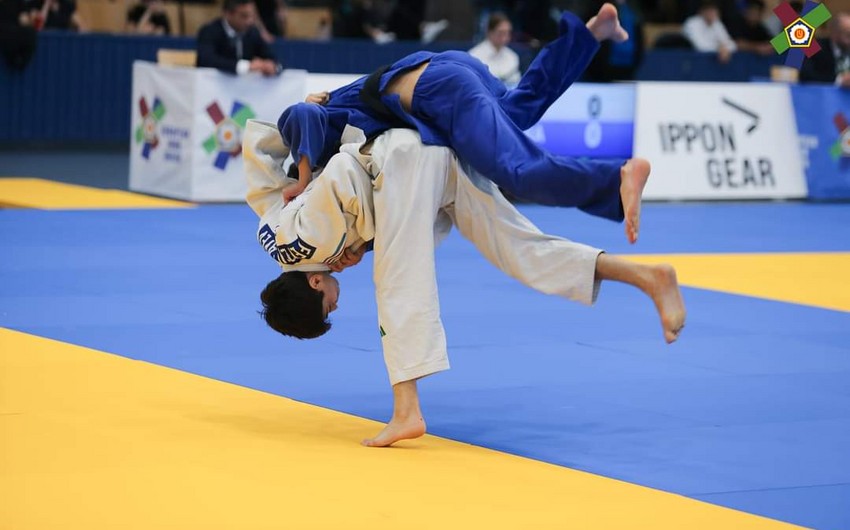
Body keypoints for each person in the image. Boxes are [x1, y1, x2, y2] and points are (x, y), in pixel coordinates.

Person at [244, 121, 687, 447]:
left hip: (400, 163)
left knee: (397, 280)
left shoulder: (312, 242)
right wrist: (301, 129)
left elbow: (343, 169)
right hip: (430, 158)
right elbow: (259, 153)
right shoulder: (273, 233)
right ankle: (646, 276)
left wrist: (359, 239)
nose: (337, 303)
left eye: (328, 305)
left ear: (314, 282)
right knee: (517, 248)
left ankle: (407, 410)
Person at [279, 3, 647, 246]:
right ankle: (592, 33)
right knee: (521, 109)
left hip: (438, 90)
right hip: (446, 72)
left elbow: (299, 115)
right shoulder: (342, 150)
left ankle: (616, 178)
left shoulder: (319, 138)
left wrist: (303, 177)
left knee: (515, 171)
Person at [196, 0, 280, 77]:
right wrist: (245, 66)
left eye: (252, 16)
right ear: (228, 14)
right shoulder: (209, 31)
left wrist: (272, 66)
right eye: (244, 16)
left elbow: (273, 58)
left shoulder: (252, 33)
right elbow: (207, 60)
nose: (250, 21)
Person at [468, 12, 521, 85]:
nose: (505, 38)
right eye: (500, 33)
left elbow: (516, 83)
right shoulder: (473, 56)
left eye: (507, 33)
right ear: (489, 32)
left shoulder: (513, 57)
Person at [800, 11, 850, 87]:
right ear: (834, 33)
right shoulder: (813, 48)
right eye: (848, 35)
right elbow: (805, 76)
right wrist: (839, 80)